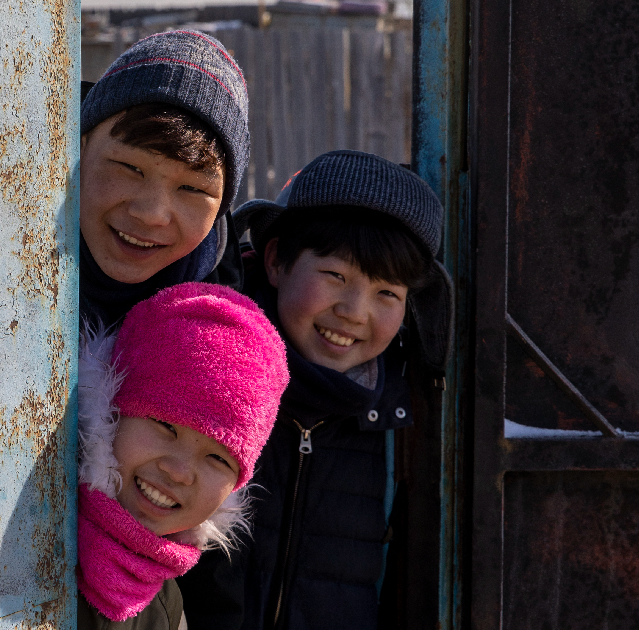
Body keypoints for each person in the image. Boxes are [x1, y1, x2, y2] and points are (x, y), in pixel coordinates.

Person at [177, 150, 452, 630]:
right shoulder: (209, 383)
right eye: (336, 276)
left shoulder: (397, 424)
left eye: (387, 293)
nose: (354, 311)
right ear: (277, 260)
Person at [76, 282, 290, 629]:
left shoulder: (165, 608)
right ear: (109, 409)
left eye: (219, 459)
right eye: (164, 425)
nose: (179, 472)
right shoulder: (29, 527)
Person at [80, 30, 250, 327]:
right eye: (130, 168)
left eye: (191, 188)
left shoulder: (226, 332)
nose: (151, 215)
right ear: (81, 148)